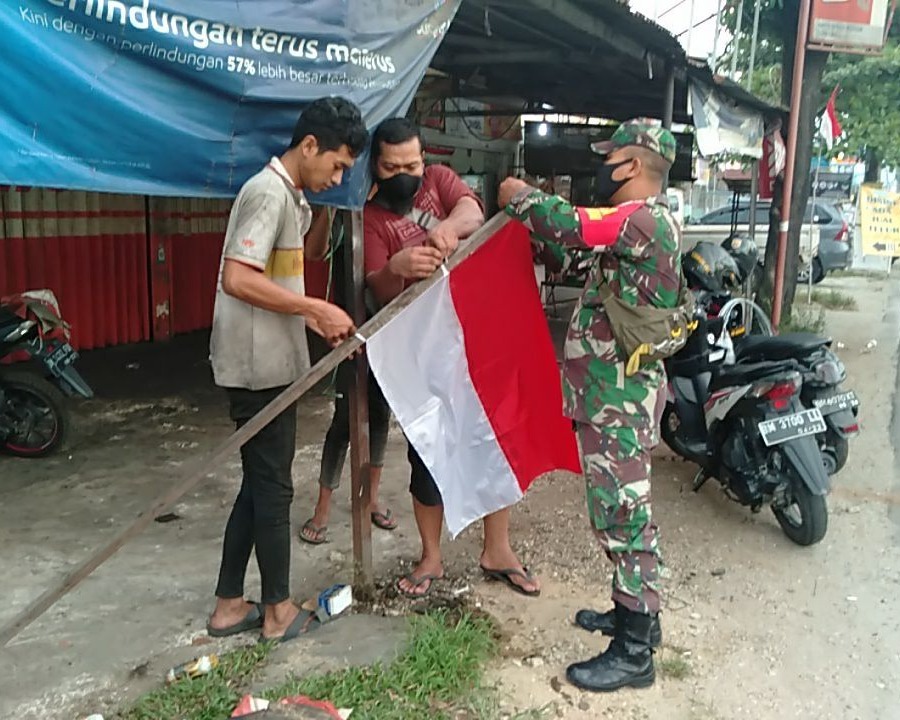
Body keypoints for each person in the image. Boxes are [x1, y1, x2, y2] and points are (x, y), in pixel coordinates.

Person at [498, 119, 682, 691]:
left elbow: (570, 225)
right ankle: (634, 618)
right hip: (610, 397)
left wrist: (516, 196)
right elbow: (572, 258)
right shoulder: (631, 232)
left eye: (609, 157)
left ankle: (633, 653)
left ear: (632, 164)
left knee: (623, 517)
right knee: (622, 511)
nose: (599, 167)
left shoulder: (642, 219)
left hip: (619, 403)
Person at [207, 97, 368, 643]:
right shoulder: (265, 192)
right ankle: (276, 612)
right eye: (338, 164)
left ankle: (230, 604)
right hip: (256, 368)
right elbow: (237, 277)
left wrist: (328, 202)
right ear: (308, 146)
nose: (339, 173)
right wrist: (315, 310)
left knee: (260, 487)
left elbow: (307, 256)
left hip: (274, 363)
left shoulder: (292, 198)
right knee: (273, 492)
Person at [365, 117, 541, 598]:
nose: (406, 172)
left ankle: (497, 548)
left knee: (492, 435)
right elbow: (375, 289)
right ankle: (431, 556)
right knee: (428, 449)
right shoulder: (371, 218)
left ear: (424, 159)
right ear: (376, 168)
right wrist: (396, 268)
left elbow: (472, 210)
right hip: (422, 351)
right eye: (393, 165)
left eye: (413, 163)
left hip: (476, 336)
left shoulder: (439, 182)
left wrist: (445, 229)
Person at [299, 212, 396, 545]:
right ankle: (322, 509)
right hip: (347, 331)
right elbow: (313, 251)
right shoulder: (343, 214)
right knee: (344, 423)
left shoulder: (389, 208)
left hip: (388, 329)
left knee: (380, 415)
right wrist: (329, 207)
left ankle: (370, 500)